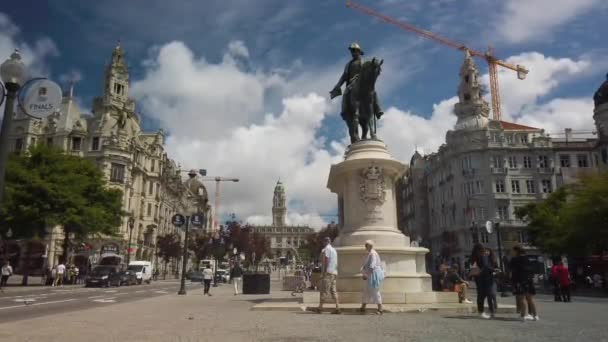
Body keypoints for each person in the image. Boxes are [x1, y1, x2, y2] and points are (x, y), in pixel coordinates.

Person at [312, 237, 341, 314]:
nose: (323, 243)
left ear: (325, 242)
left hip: (328, 272)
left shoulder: (327, 249)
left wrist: (324, 272)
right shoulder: (334, 250)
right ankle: (337, 307)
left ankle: (320, 308)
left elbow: (326, 260)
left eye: (323, 242)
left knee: (324, 290)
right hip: (334, 272)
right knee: (333, 291)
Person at [510, 245, 539, 321]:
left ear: (516, 251)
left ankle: (523, 316)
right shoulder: (527, 259)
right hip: (528, 280)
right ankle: (535, 315)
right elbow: (532, 270)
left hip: (519, 280)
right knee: (530, 299)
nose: (511, 252)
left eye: (512, 251)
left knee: (521, 298)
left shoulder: (514, 259)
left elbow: (511, 269)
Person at [471, 243, 498, 319]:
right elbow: (486, 266)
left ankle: (481, 312)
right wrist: (494, 270)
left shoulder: (473, 256)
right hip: (485, 278)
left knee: (480, 295)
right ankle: (488, 312)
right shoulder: (483, 256)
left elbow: (473, 266)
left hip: (477, 277)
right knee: (487, 294)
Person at [359, 240, 385, 314]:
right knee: (367, 291)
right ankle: (363, 307)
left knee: (374, 291)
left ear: (369, 246)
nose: (365, 247)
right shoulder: (371, 253)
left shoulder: (372, 254)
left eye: (366, 246)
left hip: (373, 275)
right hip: (371, 275)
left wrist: (366, 274)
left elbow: (372, 265)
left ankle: (380, 308)